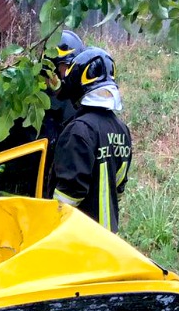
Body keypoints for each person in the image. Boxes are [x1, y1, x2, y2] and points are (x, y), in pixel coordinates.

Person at [47, 46, 132, 231]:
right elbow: (118, 186)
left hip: (80, 237)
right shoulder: (121, 129)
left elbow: (69, 195)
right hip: (108, 237)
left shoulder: (78, 131)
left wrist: (48, 222)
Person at [0, 28, 84, 158]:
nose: (73, 72)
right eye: (68, 67)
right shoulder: (21, 98)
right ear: (51, 68)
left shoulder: (82, 100)